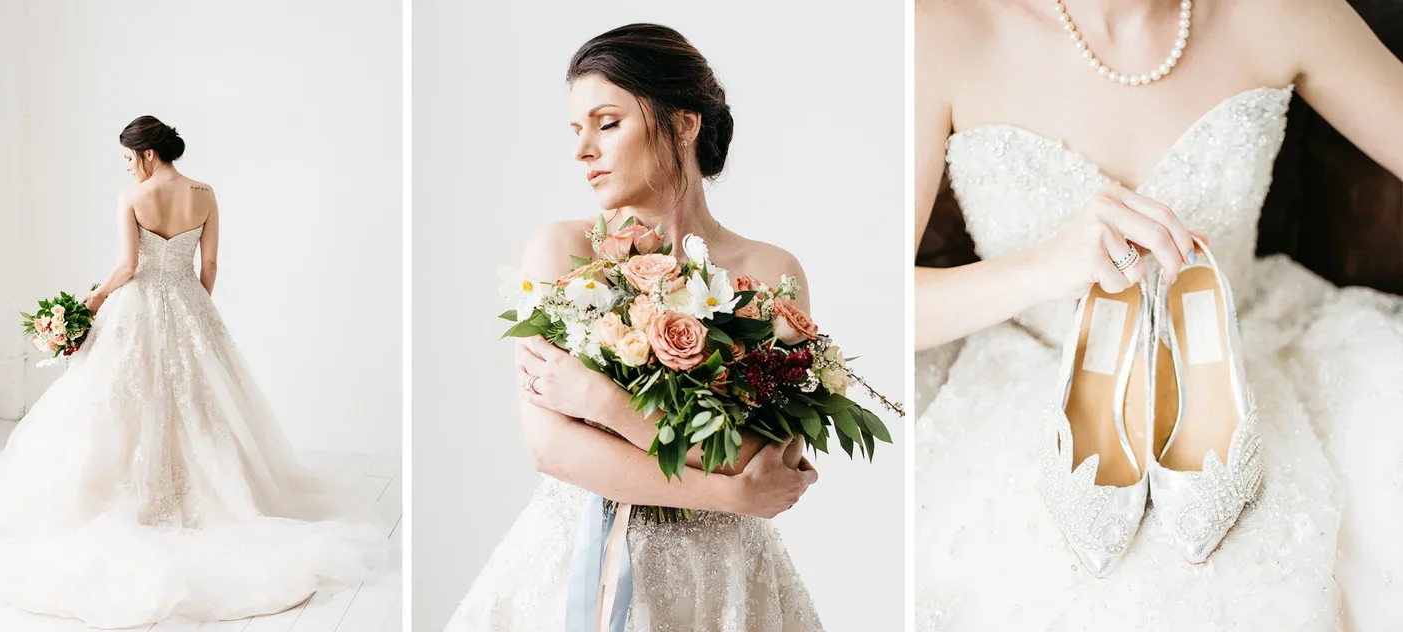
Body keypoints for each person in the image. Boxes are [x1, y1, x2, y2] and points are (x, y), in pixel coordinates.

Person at [913, 0, 1403, 629]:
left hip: (1243, 348)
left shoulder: (1279, 11)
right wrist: (1042, 268)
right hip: (1027, 366)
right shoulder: (940, 28)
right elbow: (876, 301)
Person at [0, 116, 389, 630]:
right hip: (190, 303)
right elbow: (210, 266)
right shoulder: (205, 193)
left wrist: (92, 300)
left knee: (117, 401)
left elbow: (128, 266)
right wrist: (195, 311)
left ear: (148, 153)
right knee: (199, 404)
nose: (128, 167)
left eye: (128, 158)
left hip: (135, 310)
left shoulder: (132, 198)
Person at [446, 24, 823, 631]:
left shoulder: (771, 272)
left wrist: (607, 404)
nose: (582, 150)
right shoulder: (562, 253)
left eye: (607, 123)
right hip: (585, 564)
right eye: (576, 129)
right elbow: (552, 449)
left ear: (683, 122)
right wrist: (728, 494)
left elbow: (770, 459)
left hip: (723, 578)